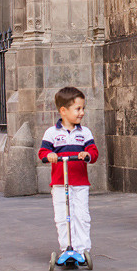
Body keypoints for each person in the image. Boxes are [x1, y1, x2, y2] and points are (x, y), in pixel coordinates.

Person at [38, 87, 99, 255]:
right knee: (63, 217)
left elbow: (94, 153)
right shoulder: (52, 133)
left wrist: (87, 154)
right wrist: (50, 155)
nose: (82, 112)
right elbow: (42, 153)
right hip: (59, 184)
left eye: (83, 108)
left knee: (82, 216)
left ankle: (82, 249)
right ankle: (66, 248)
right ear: (63, 111)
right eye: (78, 109)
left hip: (80, 183)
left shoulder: (84, 133)